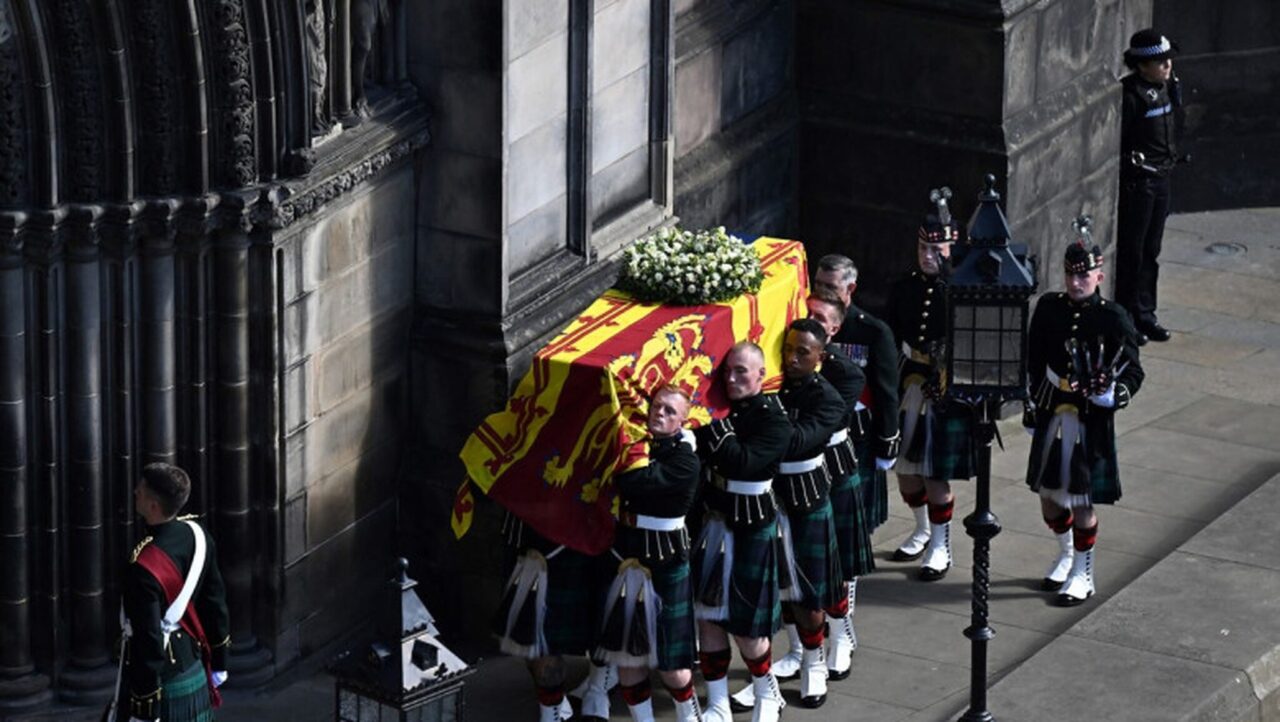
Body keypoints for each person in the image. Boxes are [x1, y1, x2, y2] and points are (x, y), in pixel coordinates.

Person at [1024, 241, 1143, 606]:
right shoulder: (1048, 308)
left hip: (1090, 420)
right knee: (1049, 500)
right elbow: (1034, 357)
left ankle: (1083, 573)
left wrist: (1112, 396)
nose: (1076, 283)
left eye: (1084, 275)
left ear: (1098, 276)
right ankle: (1066, 554)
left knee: (1081, 501)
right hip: (1052, 410)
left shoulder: (1113, 317)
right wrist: (1032, 405)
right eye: (1071, 274)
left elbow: (1134, 371)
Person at [691, 342, 792, 722]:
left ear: (761, 375)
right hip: (714, 519)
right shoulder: (720, 408)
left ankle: (769, 693)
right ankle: (718, 702)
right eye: (728, 371)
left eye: (742, 372)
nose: (732, 379)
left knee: (748, 626)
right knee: (708, 615)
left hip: (751, 525)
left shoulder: (774, 419)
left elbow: (744, 463)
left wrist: (715, 428)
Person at [594, 385, 703, 722]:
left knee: (673, 669)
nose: (660, 413)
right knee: (628, 657)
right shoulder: (639, 445)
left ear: (683, 420)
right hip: (627, 558)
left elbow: (635, 481)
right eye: (657, 406)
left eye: (671, 411)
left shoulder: (685, 461)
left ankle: (690, 716)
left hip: (665, 560)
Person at [886, 209, 976, 581]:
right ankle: (922, 529)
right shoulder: (904, 286)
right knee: (905, 470)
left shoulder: (960, 291)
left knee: (935, 473)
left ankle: (941, 545)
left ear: (952, 249)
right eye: (924, 247)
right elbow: (891, 333)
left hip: (943, 389)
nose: (928, 255)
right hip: (909, 380)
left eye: (937, 249)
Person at [119, 463, 230, 722]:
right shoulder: (198, 534)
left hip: (162, 682)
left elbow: (149, 639)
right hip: (193, 664)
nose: (135, 491)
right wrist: (220, 660)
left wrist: (146, 705)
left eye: (141, 490)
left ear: (153, 506)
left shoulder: (143, 566)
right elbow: (215, 603)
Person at [492, 512, 614, 721]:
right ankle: (554, 709)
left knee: (603, 616)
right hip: (531, 534)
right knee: (531, 636)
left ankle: (598, 687)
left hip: (590, 525)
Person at [811, 255, 900, 533]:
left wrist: (887, 440)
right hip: (813, 427)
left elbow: (886, 391)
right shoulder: (804, 322)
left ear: (850, 289)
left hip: (856, 433)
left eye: (830, 286)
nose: (822, 291)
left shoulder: (872, 331)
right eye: (817, 284)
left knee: (852, 517)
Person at [1118, 28, 1183, 346]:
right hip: (1140, 183)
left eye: (1168, 59)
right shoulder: (1132, 95)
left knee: (1151, 251)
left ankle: (1146, 313)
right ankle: (1128, 317)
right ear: (1142, 65)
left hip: (1161, 178)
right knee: (1134, 251)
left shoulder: (1169, 87)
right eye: (1160, 61)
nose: (1168, 65)